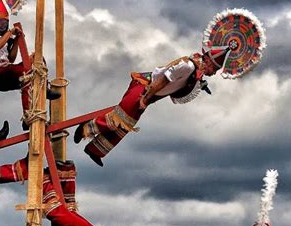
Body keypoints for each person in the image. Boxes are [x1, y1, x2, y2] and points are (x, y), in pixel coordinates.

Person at [73, 47, 230, 166]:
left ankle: (96, 150)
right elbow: (164, 80)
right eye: (215, 69)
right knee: (120, 118)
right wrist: (146, 98)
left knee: (126, 126)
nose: (214, 73)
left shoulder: (194, 71)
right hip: (144, 87)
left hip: (150, 94)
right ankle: (86, 128)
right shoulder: (188, 66)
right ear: (208, 62)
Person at [0, 0, 60, 129]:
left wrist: (16, 40)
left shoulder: (3, 35)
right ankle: (28, 116)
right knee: (25, 72)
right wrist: (10, 33)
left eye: (5, 23)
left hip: (6, 70)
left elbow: (10, 59)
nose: (2, 25)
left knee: (37, 61)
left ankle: (44, 89)